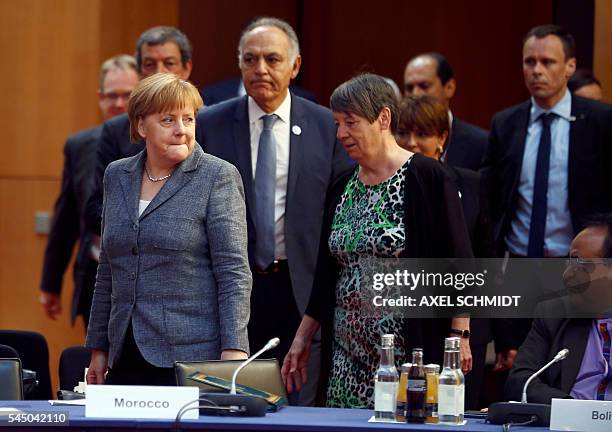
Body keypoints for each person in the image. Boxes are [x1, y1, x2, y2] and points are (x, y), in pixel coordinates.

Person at [282, 73, 472, 409]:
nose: (341, 134)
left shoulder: (428, 177)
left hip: (408, 354)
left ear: (383, 118)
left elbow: (460, 265)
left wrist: (459, 337)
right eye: (337, 124)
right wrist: (302, 338)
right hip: (344, 356)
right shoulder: (341, 184)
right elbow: (326, 276)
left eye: (350, 123)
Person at [196, 17, 354, 405]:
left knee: (297, 407)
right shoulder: (210, 124)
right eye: (250, 60)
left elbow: (339, 211)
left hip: (302, 291)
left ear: (295, 66)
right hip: (234, 290)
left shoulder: (323, 124)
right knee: (234, 404)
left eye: (272, 59)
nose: (260, 69)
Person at [85, 73, 251, 386]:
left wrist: (234, 347)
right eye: (168, 120)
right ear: (140, 126)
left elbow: (233, 272)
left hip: (193, 358)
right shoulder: (117, 175)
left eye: (188, 119)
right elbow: (108, 269)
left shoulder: (218, 176)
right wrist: (99, 347)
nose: (181, 130)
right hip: (125, 353)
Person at [482, 24, 612, 370]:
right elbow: (492, 200)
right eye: (529, 61)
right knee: (517, 365)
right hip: (521, 265)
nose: (537, 70)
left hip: (578, 266)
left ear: (569, 66)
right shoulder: (505, 123)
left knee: (574, 366)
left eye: (547, 62)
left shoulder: (601, 120)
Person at [396, 94, 493, 409]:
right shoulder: (389, 186)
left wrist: (477, 336)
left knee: (456, 413)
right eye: (403, 133)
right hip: (410, 325)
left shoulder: (471, 183)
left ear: (442, 139)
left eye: (422, 134)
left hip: (462, 328)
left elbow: (484, 261)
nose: (411, 143)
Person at [40, 55, 139, 328]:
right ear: (100, 98)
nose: (119, 103)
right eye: (111, 96)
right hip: (94, 275)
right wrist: (50, 282)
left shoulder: (158, 143)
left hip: (144, 276)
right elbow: (67, 217)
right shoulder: (79, 145)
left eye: (127, 95)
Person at [84, 26, 193, 237]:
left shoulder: (210, 122)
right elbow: (96, 208)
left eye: (169, 63)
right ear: (140, 72)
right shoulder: (117, 130)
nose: (159, 72)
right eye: (150, 65)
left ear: (186, 69)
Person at [505, 214, 612, 403]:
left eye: (579, 264)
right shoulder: (554, 314)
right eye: (568, 262)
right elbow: (519, 381)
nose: (567, 274)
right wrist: (570, 408)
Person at [403, 52, 488, 170]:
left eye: (424, 86)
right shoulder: (395, 141)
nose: (415, 94)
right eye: (409, 88)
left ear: (449, 88)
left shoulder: (481, 144)